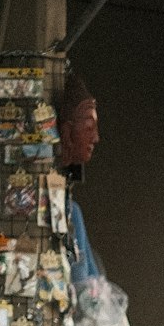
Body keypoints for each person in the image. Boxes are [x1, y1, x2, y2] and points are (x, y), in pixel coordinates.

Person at [58, 73, 101, 286]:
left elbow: (89, 281)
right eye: (89, 128)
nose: (96, 138)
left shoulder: (72, 210)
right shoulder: (70, 211)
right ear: (66, 132)